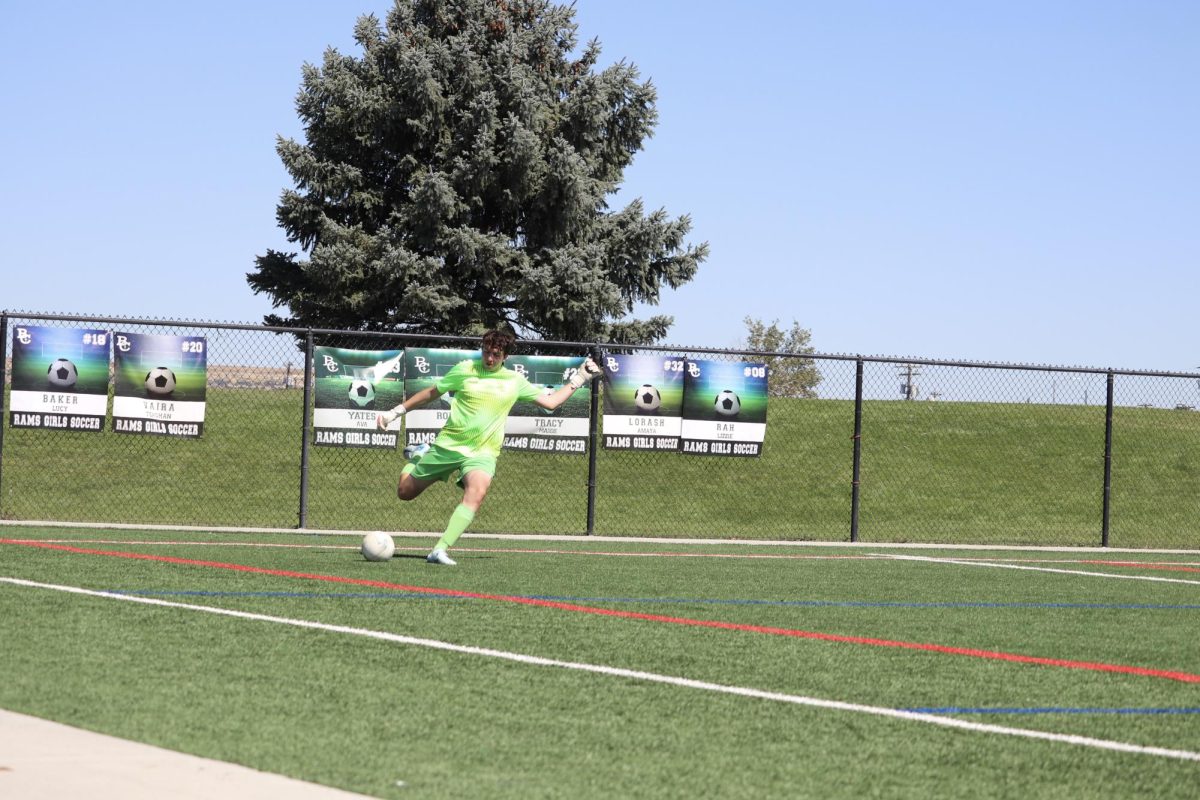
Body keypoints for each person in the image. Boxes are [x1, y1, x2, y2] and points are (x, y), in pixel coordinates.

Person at [376, 329, 601, 565]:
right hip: (449, 446)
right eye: (486, 352)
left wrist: (579, 379)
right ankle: (418, 456)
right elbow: (431, 393)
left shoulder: (514, 381)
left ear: (506, 356)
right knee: (405, 493)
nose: (489, 359)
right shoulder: (465, 369)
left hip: (483, 452)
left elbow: (551, 402)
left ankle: (440, 549)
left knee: (477, 492)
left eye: (495, 354)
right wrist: (395, 412)